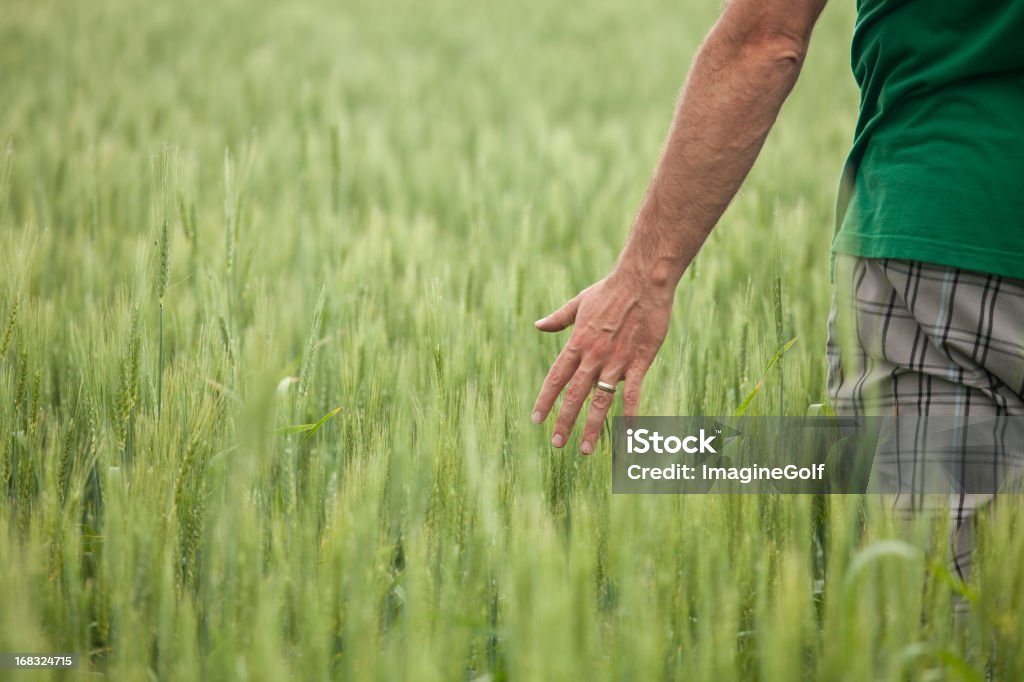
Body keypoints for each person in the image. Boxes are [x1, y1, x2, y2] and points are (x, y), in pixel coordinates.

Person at [531, 0, 1024, 580]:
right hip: (956, 233)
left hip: (944, 232)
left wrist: (644, 276)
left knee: (939, 609)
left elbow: (765, 37)